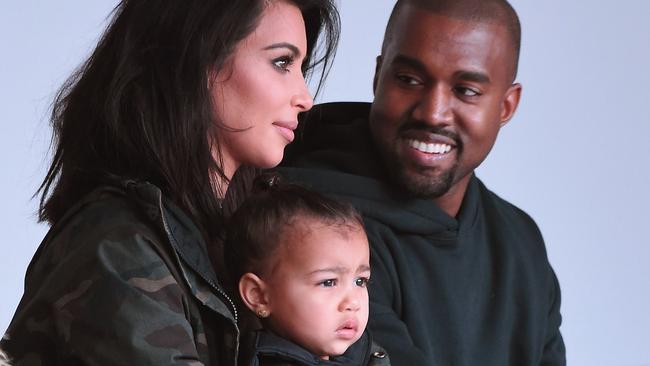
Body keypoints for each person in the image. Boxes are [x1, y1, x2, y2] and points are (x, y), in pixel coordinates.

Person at [1, 0, 339, 365]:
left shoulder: (245, 235)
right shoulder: (117, 248)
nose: (305, 98)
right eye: (282, 63)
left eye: (301, 67)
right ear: (197, 62)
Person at [279, 0, 566, 365]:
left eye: (466, 91)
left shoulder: (520, 244)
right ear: (379, 75)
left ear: (506, 106)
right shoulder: (303, 223)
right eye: (409, 80)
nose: (433, 113)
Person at [224, 173, 389, 365]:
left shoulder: (364, 354)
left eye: (360, 281)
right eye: (328, 282)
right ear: (259, 295)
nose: (353, 302)